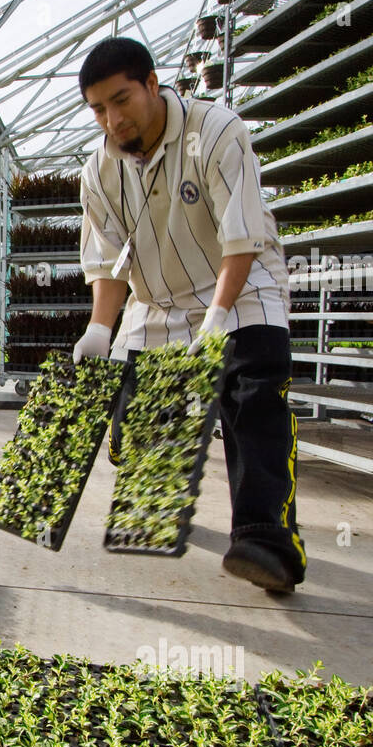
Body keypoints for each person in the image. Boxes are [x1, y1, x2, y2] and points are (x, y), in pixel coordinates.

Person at [71, 37, 307, 593]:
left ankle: (264, 539)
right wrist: (99, 329)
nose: (113, 118)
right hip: (157, 303)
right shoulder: (99, 170)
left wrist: (219, 317)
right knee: (138, 427)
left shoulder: (217, 131)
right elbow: (106, 261)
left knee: (253, 397)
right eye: (99, 109)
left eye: (122, 99)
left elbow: (242, 235)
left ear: (152, 84)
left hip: (241, 287)